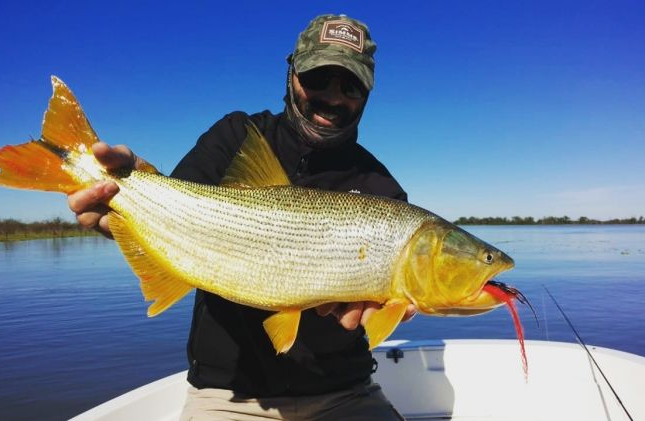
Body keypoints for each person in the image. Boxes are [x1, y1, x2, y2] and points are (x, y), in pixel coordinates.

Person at [68, 14, 414, 420]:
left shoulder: (383, 191)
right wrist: (129, 192)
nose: (333, 97)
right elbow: (175, 219)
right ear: (292, 72)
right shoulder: (237, 136)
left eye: (350, 85)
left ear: (367, 94)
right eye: (318, 78)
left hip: (346, 393)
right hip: (228, 395)